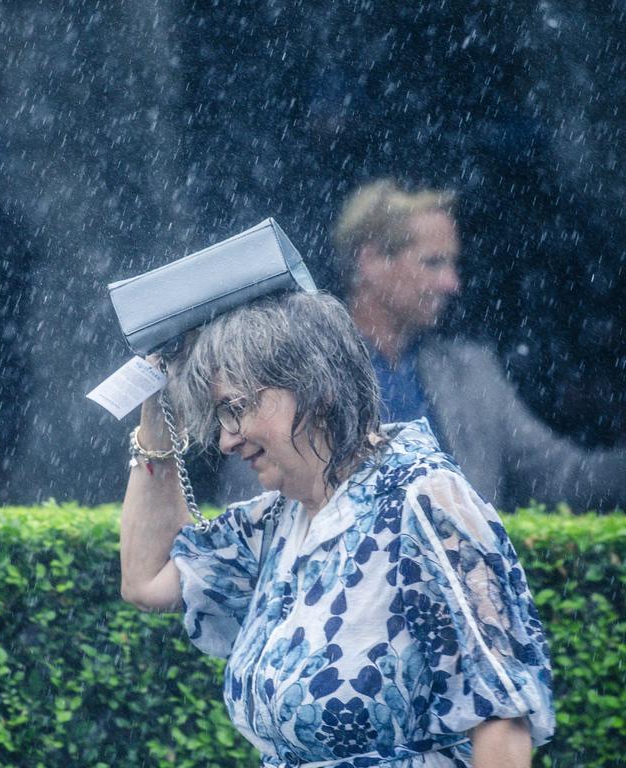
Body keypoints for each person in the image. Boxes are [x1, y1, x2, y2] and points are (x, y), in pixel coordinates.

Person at [120, 290, 553, 767]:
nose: (226, 439)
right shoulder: (279, 520)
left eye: (237, 408)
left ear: (315, 387)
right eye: (222, 415)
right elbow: (148, 580)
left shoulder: (422, 500)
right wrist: (158, 401)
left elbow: (501, 716)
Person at [221, 178, 626, 512]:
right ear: (371, 262)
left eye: (452, 265)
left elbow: (566, 477)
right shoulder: (291, 373)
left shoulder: (471, 373)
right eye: (433, 263)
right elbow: (252, 513)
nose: (452, 284)